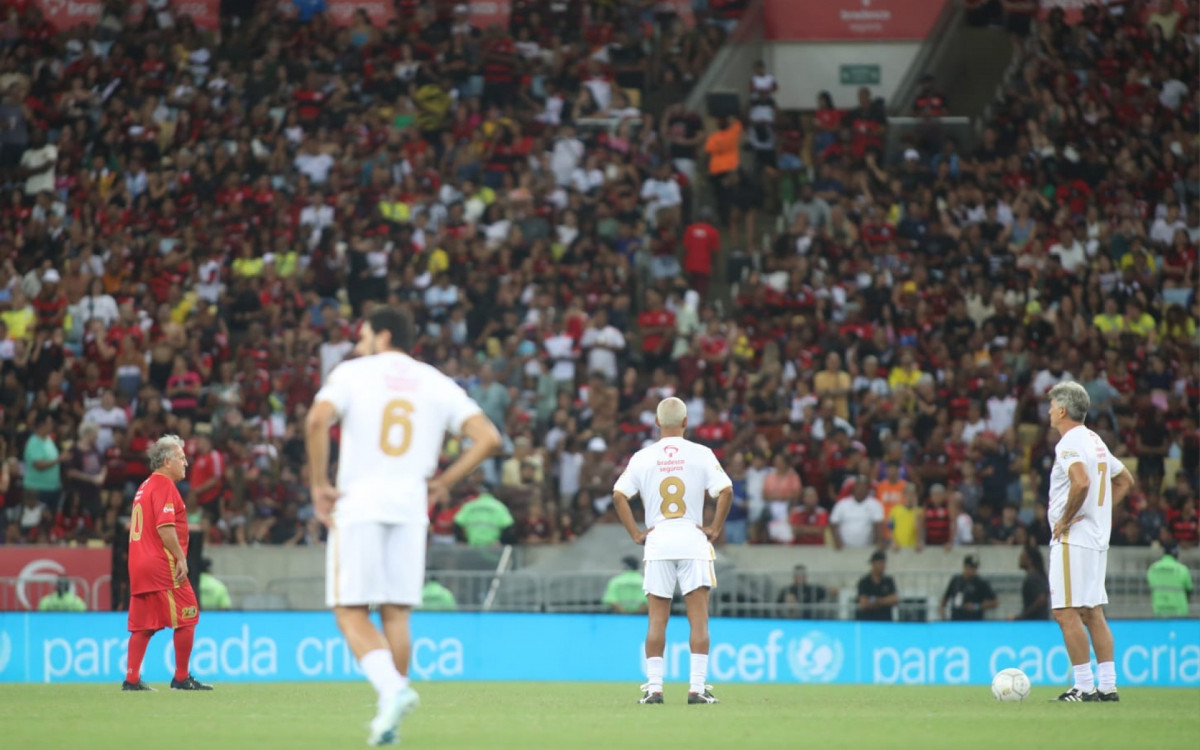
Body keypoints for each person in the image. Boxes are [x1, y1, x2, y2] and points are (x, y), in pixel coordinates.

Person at [306, 306, 500, 747]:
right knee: (396, 613)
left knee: (349, 610)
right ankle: (389, 716)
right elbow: (489, 438)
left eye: (362, 336)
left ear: (383, 335)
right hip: (412, 508)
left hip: (360, 506)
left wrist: (319, 484)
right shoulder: (434, 380)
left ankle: (393, 691)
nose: (357, 345)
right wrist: (443, 482)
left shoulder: (354, 373)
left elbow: (317, 419)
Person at [612, 397, 732, 705]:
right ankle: (697, 689)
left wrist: (636, 533)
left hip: (659, 542)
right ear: (685, 423)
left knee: (656, 621)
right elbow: (726, 490)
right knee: (699, 620)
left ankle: (654, 689)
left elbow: (619, 495)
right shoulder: (701, 453)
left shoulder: (643, 457)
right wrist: (715, 528)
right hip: (693, 541)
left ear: (656, 423)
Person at [1046, 382, 1134, 702]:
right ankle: (1107, 686)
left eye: (1052, 404)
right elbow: (1125, 479)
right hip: (1096, 539)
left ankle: (1083, 686)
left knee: (1065, 612)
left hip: (1074, 540)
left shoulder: (1069, 443)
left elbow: (1081, 480)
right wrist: (1101, 513)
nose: (1048, 410)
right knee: (1091, 611)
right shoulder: (1095, 440)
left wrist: (1065, 519)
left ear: (1062, 410)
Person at [123, 435, 212, 692]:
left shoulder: (144, 486)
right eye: (181, 458)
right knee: (188, 614)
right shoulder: (163, 485)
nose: (186, 462)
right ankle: (182, 677)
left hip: (140, 564)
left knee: (144, 625)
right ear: (165, 461)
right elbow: (165, 527)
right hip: (161, 564)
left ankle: (131, 680)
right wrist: (181, 557)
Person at [939, 555, 998, 621]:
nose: (973, 570)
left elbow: (995, 602)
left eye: (975, 568)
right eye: (971, 568)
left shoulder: (981, 583)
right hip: (956, 619)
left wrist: (976, 606)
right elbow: (946, 597)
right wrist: (942, 610)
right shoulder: (955, 580)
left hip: (974, 620)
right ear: (965, 567)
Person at [1147, 541, 1194, 617]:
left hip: (1159, 610)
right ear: (1177, 553)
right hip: (1179, 610)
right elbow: (1189, 590)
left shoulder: (1153, 568)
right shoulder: (1182, 569)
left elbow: (1150, 586)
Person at [856, 550, 898, 621]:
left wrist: (875, 601)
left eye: (884, 563)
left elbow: (894, 599)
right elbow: (863, 603)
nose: (883, 566)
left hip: (885, 621)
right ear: (873, 564)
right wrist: (884, 601)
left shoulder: (888, 581)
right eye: (880, 563)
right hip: (868, 621)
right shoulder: (864, 582)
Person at [1012, 545, 1050, 621]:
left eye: (1022, 556)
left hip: (1036, 622)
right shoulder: (1039, 576)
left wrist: (1023, 616)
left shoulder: (1033, 578)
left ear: (1030, 560)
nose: (1020, 558)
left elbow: (1041, 599)